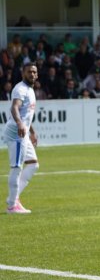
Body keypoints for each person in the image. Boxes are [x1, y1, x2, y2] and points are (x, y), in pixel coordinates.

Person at [4, 63, 39, 214]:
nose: (32, 74)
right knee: (17, 167)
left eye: (34, 72)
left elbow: (26, 114)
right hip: (16, 133)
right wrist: (19, 124)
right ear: (23, 72)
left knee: (33, 164)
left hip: (23, 132)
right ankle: (12, 205)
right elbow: (15, 108)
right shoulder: (20, 89)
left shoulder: (30, 89)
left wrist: (31, 131)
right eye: (29, 71)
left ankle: (14, 197)